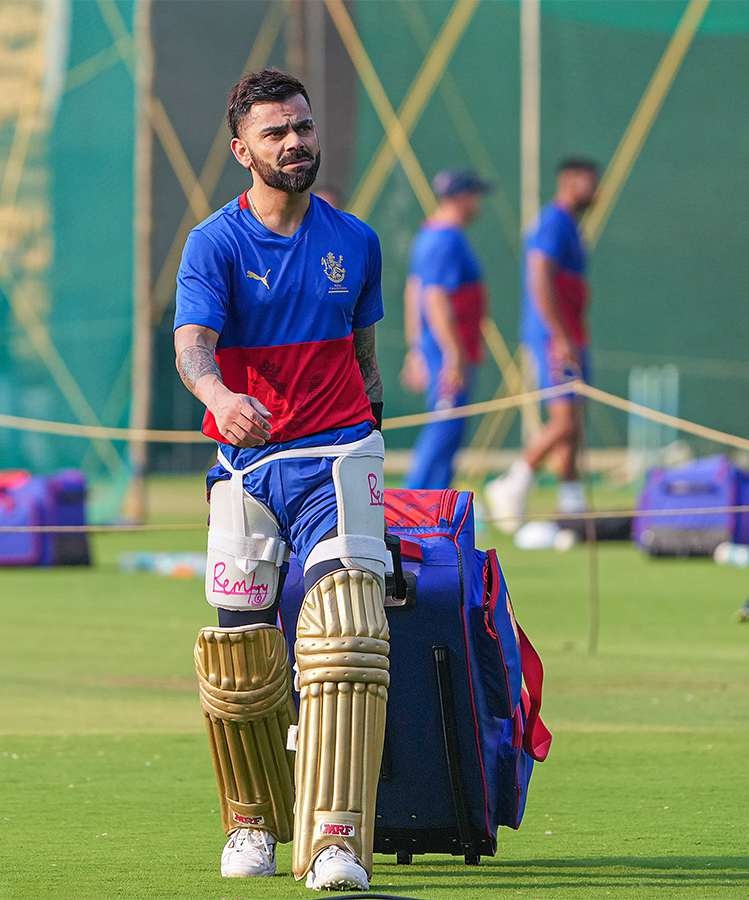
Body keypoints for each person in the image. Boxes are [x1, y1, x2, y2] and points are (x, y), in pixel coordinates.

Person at [173, 68, 388, 892]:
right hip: (245, 465)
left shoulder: (355, 240)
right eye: (275, 132)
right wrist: (222, 397)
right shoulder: (214, 243)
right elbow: (194, 346)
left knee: (346, 632)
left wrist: (373, 436)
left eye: (301, 127)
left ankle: (334, 840)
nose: (295, 142)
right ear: (242, 151)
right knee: (240, 655)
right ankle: (253, 825)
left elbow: (364, 361)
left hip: (337, 456)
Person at [485, 158, 599, 540]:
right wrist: (559, 334)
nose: (595, 189)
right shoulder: (553, 222)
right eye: (589, 181)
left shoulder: (570, 226)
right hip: (556, 337)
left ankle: (571, 504)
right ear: (567, 181)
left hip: (571, 334)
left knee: (574, 423)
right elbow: (539, 275)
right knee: (564, 420)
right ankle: (513, 482)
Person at [401, 169, 491, 490]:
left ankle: (436, 510)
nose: (479, 204)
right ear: (462, 197)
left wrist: (415, 349)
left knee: (447, 432)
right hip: (448, 352)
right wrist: (454, 356)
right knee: (443, 429)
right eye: (475, 196)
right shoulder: (447, 239)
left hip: (438, 349)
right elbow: (434, 298)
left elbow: (413, 291)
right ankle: (412, 507)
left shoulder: (429, 234)